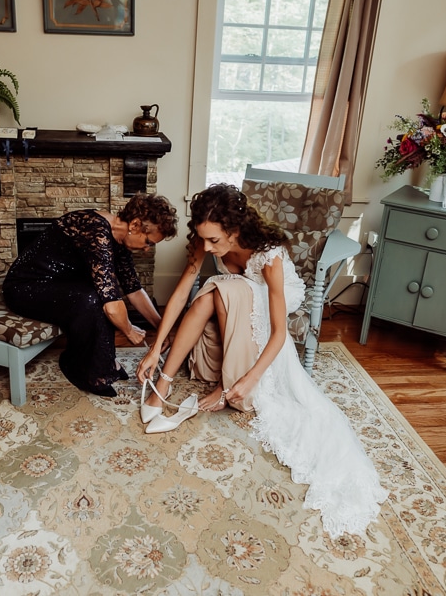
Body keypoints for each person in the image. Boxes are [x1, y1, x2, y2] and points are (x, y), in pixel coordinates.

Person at [136, 183, 387, 538]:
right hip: (239, 289)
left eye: (214, 241)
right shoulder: (205, 237)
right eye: (203, 239)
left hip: (277, 300)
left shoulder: (268, 256)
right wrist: (154, 347)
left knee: (223, 289)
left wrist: (249, 379)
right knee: (209, 293)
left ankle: (226, 383)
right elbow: (179, 294)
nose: (206, 248)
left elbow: (280, 333)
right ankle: (163, 381)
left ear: (235, 231)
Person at [3, 193, 177, 397]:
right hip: (25, 287)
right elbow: (112, 307)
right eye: (148, 242)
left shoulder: (119, 239)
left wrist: (162, 329)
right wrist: (129, 330)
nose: (147, 249)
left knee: (100, 292)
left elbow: (134, 289)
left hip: (60, 285)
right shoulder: (96, 230)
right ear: (136, 225)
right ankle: (79, 366)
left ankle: (104, 364)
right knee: (95, 299)